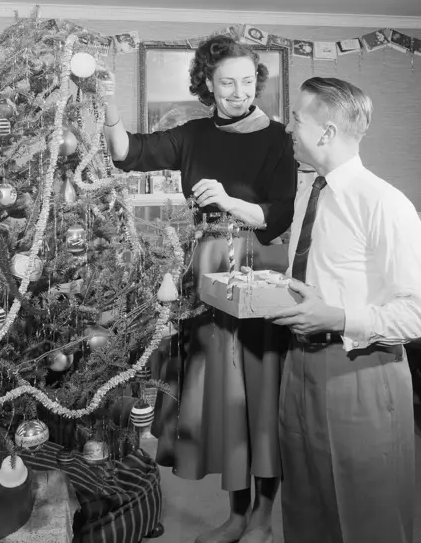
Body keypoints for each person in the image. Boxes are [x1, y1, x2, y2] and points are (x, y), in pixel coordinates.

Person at [103, 35, 296, 543]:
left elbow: (279, 214)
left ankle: (263, 516)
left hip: (259, 269)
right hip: (207, 273)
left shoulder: (278, 138)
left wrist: (230, 201)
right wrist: (105, 103)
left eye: (248, 81)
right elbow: (128, 153)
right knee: (223, 398)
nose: (238, 91)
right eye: (227, 82)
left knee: (259, 389)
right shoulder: (192, 134)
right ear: (207, 84)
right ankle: (236, 515)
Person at [265, 77, 421, 543]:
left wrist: (337, 319)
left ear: (326, 132)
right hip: (298, 367)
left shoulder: (384, 204)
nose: (290, 128)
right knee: (305, 501)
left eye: (298, 119)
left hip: (361, 371)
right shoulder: (307, 194)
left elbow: (416, 316)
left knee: (368, 511)